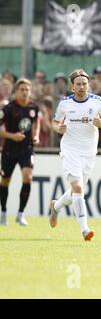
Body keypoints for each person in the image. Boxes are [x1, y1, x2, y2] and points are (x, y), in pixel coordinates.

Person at [48, 69, 101, 241]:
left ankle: (56, 206)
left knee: (75, 190)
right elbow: (55, 122)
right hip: (70, 150)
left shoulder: (98, 102)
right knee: (78, 188)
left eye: (84, 83)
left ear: (89, 85)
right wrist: (58, 128)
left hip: (89, 153)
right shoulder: (64, 103)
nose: (81, 86)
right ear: (72, 87)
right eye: (78, 84)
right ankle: (85, 230)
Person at [0, 79, 40, 226]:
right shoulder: (9, 109)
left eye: (27, 90)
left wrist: (35, 135)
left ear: (30, 91)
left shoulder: (33, 107)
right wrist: (12, 136)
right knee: (5, 181)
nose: (24, 92)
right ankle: (3, 212)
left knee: (27, 177)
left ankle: (20, 214)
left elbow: (36, 122)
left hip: (27, 149)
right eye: (22, 89)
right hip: (9, 151)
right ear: (16, 91)